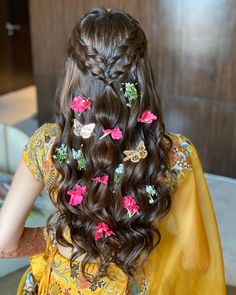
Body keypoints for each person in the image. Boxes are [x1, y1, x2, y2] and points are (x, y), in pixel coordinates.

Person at [0, 7, 226, 295]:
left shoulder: (47, 145)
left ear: (73, 74)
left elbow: (4, 243)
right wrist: (135, 240)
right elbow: (194, 258)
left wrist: (59, 238)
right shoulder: (175, 154)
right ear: (142, 76)